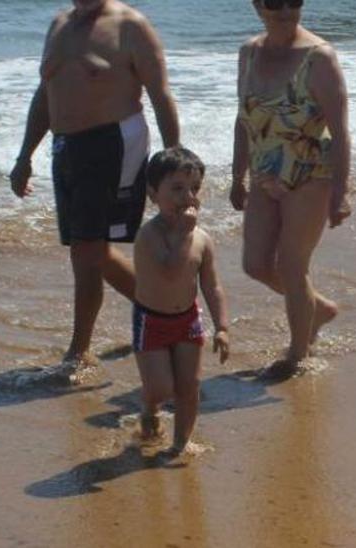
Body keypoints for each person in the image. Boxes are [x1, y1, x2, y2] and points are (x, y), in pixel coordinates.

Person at [9, 0, 181, 373]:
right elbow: (45, 94)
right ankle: (169, 310)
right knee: (89, 251)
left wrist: (174, 163)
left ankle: (78, 352)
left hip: (113, 143)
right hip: (66, 147)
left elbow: (160, 94)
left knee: (88, 249)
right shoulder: (59, 23)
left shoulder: (130, 25)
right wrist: (25, 156)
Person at [231, 0, 352, 381]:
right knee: (255, 265)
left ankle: (298, 353)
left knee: (292, 266)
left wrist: (341, 191)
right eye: (274, 3)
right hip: (264, 171)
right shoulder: (248, 53)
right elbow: (244, 119)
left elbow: (341, 131)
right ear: (256, 5)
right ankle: (317, 310)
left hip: (310, 171)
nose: (285, 10)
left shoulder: (319, 58)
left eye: (293, 1)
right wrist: (236, 177)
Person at [132, 146, 230, 458]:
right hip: (151, 321)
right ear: (152, 194)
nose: (187, 197)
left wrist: (222, 327)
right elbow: (170, 269)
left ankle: (180, 442)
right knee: (161, 389)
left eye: (194, 189)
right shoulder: (150, 235)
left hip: (187, 319)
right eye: (176, 189)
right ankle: (150, 406)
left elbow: (212, 285)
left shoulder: (202, 238)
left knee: (189, 387)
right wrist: (184, 234)